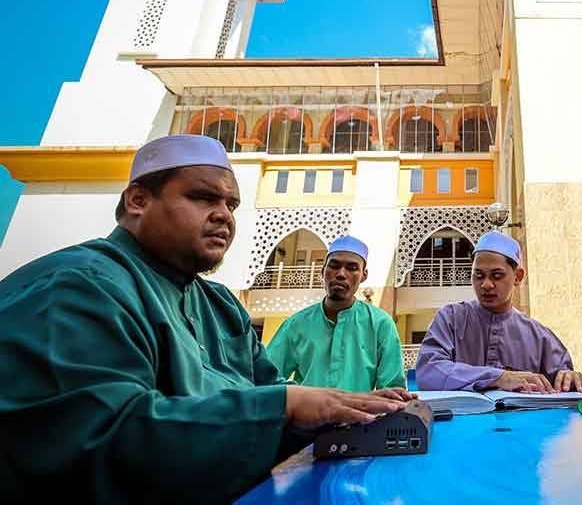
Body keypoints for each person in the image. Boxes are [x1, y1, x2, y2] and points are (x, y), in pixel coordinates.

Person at [0, 135, 411, 504]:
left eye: (231, 205)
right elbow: (101, 442)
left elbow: (271, 393)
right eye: (203, 198)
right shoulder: (77, 286)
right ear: (138, 200)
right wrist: (285, 407)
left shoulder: (219, 306)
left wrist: (345, 413)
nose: (224, 216)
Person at [416, 230, 582, 393]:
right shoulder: (450, 319)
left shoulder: (540, 337)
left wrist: (571, 379)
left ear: (518, 277)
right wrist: (499, 377)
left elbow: (565, 384)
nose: (486, 284)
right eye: (479, 275)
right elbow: (429, 372)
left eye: (497, 276)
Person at [266, 235, 405, 391]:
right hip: (308, 408)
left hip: (361, 408)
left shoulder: (380, 325)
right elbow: (266, 379)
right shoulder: (296, 325)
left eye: (352, 268)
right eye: (334, 266)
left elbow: (392, 390)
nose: (341, 274)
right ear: (323, 271)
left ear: (364, 275)